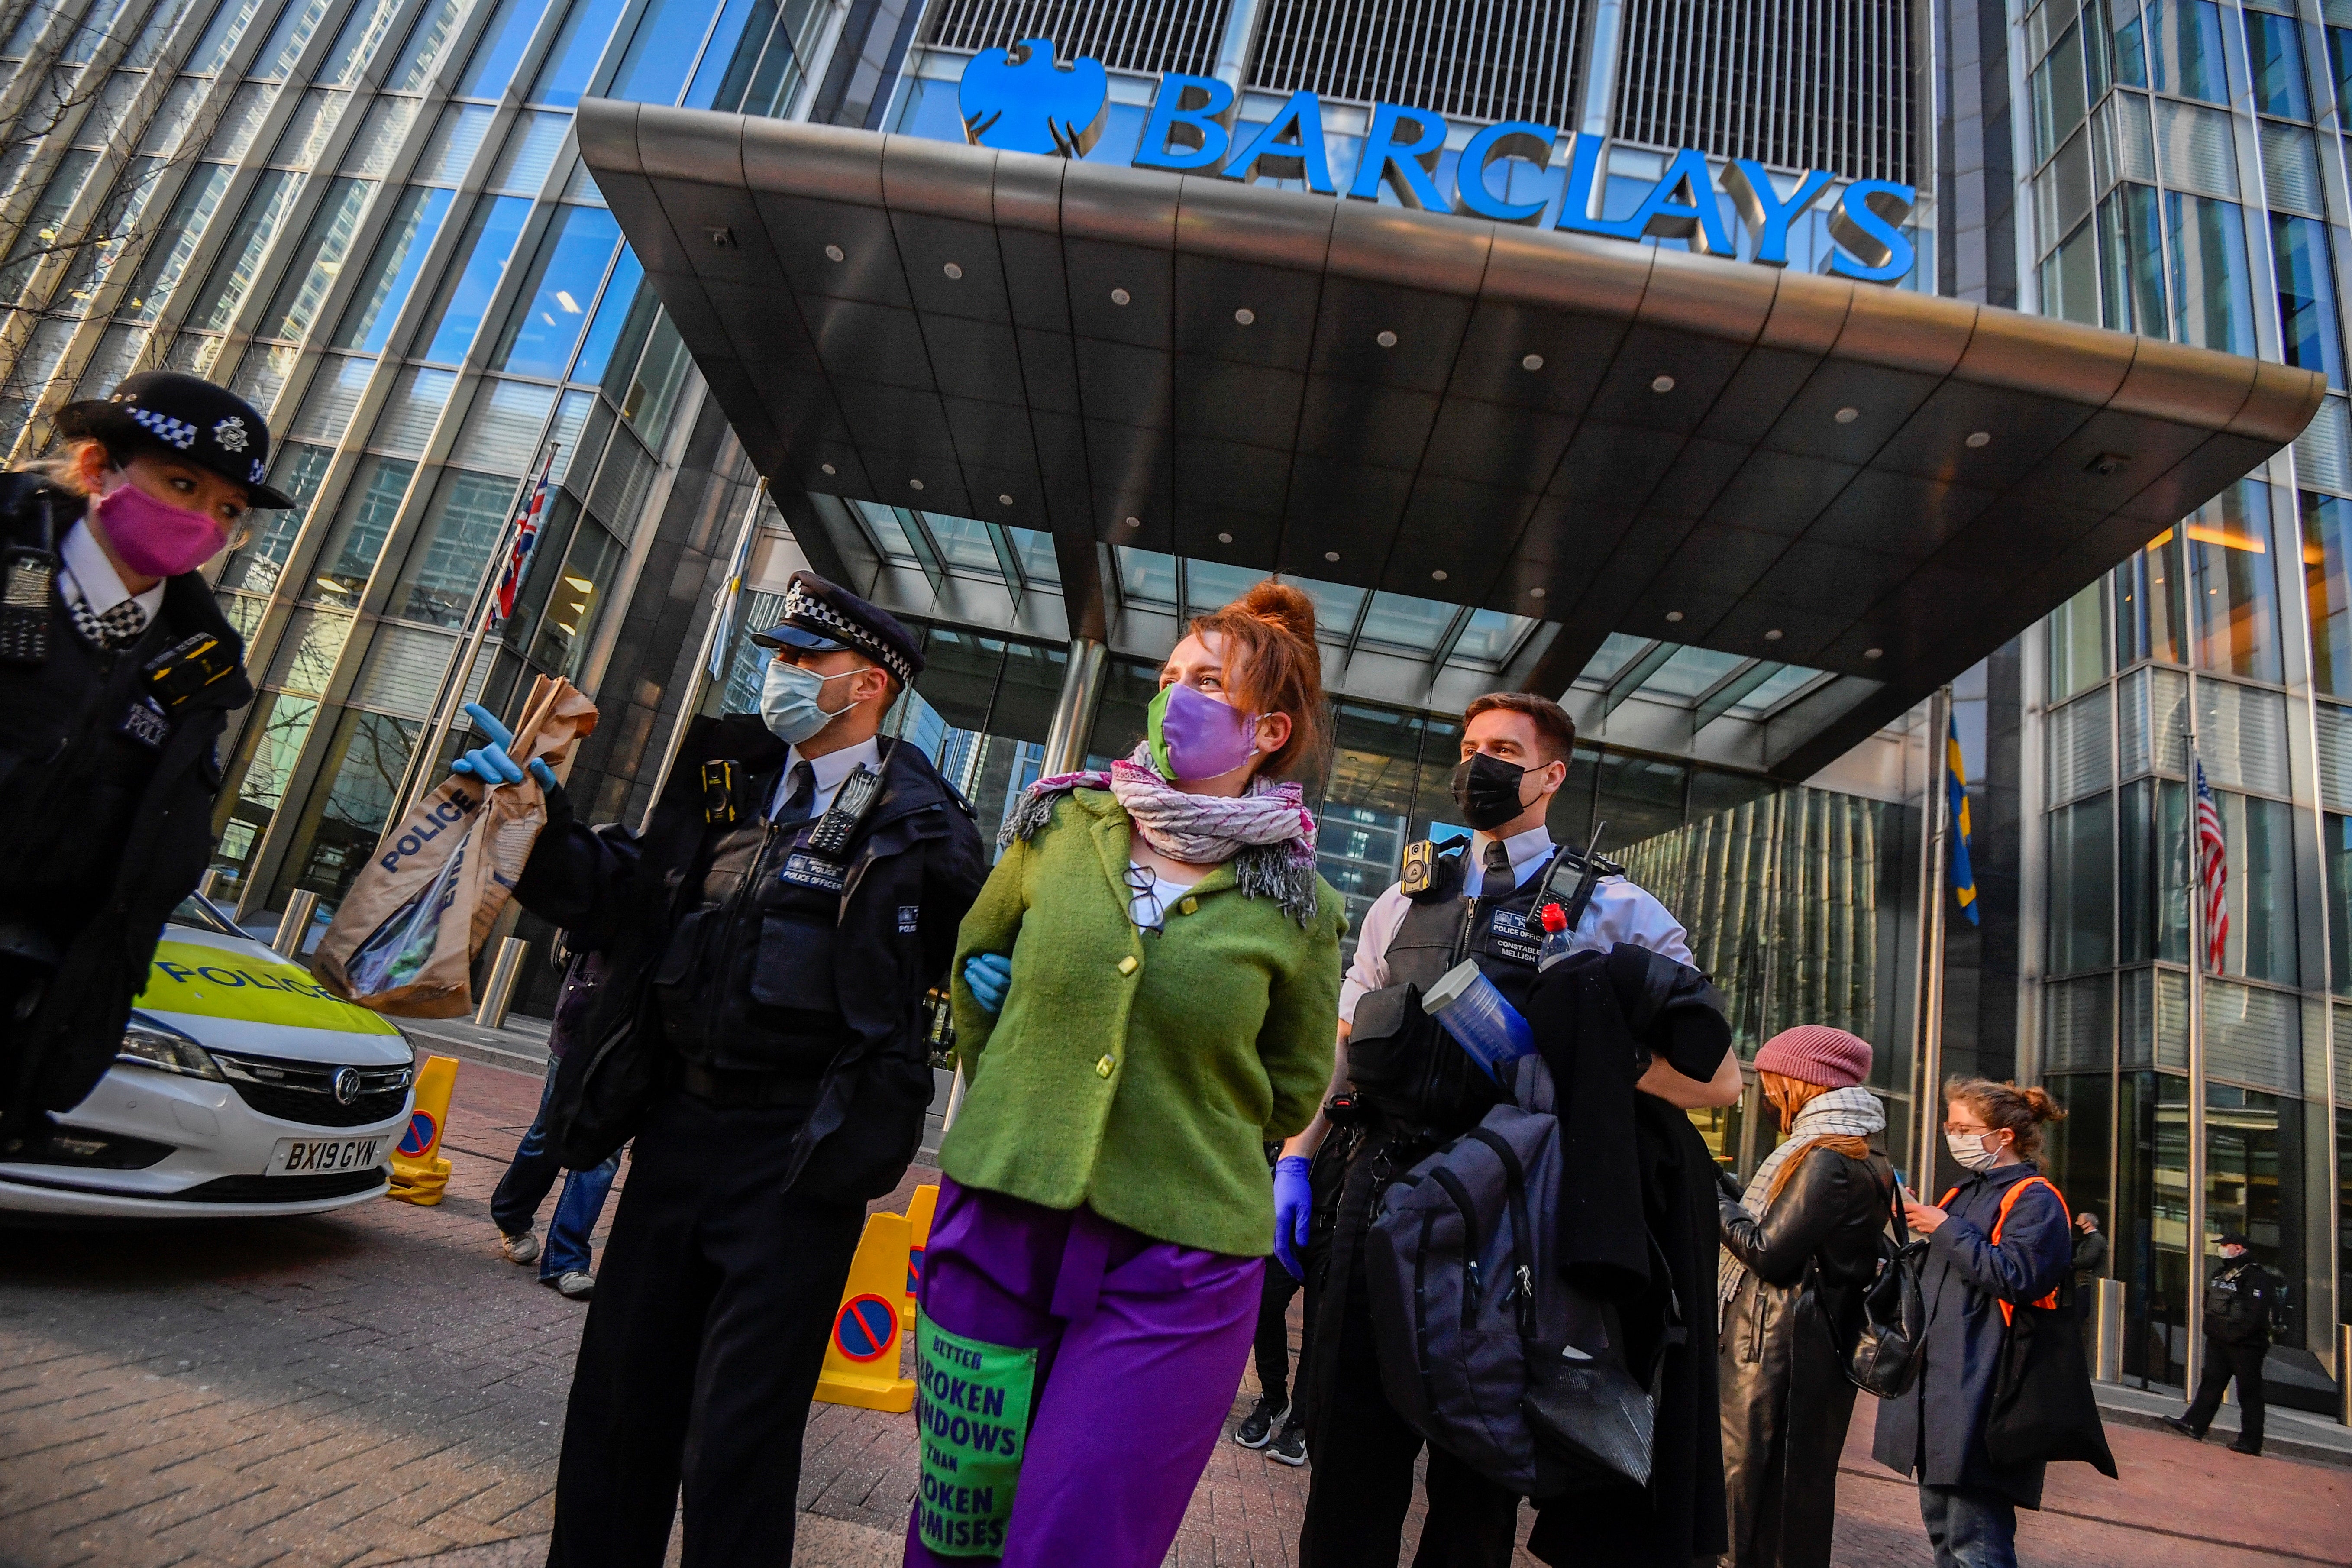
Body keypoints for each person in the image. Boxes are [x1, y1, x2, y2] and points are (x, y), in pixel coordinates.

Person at [475, 571, 985, 1568]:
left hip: (796, 1159)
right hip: (674, 1136)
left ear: (869, 686)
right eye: (778, 657)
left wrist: (985, 981)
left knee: (736, 1440)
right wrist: (539, 824)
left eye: (805, 660)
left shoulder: (926, 825)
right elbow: (628, 898)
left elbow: (974, 958)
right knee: (620, 1411)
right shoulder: (729, 778)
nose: (782, 677)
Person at [906, 581, 1344, 1568]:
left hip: (1180, 1259)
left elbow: (1288, 1088)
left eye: (1206, 685)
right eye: (1169, 677)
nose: (1174, 697)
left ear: (1268, 729)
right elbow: (977, 972)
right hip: (1001, 1219)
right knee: (957, 1530)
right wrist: (1027, 1068)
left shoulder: (1303, 906)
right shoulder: (1059, 826)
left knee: (1077, 1540)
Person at [1290, 690, 1744, 1568]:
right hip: (1380, 1197)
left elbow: (1718, 1077)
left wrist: (1582, 1058)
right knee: (1347, 1463)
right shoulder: (1406, 891)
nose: (1477, 766)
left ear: (1552, 773)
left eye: (1502, 748)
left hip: (1504, 1226)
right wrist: (1298, 1159)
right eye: (1468, 746)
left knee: (1476, 1486)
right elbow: (1343, 1041)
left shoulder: (1613, 907)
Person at [0, 371, 291, 1149]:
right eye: (182, 483)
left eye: (226, 509)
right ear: (98, 469)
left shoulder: (199, 672)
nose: (202, 519)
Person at [1873, 1079, 2073, 1568]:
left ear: (2003, 1136)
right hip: (1941, 1388)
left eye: (1964, 1128)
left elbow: (2017, 1276)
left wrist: (1943, 1227)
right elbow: (1938, 1275)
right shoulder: (1964, 1190)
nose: (1953, 1136)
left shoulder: (2035, 1198)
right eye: (1950, 1126)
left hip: (1982, 1386)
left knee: (1975, 1540)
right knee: (1944, 1530)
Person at [1716, 1025, 1895, 1568]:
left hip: (1775, 1346)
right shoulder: (1867, 1157)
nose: (1768, 1094)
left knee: (1744, 1491)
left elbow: (1769, 1250)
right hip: (1812, 1344)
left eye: (1773, 1081)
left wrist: (1708, 1199)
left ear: (1800, 1082)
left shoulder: (1824, 1157)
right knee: (1792, 1493)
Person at [490, 944, 620, 1300]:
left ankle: (566, 1261)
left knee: (603, 1151)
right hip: (584, 1021)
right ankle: (511, 1213)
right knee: (549, 1134)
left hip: (634, 1038)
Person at [2161, 1229, 2281, 1456]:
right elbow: (2209, 1302)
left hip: (2246, 1345)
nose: (2221, 1248)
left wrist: (2235, 1335)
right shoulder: (2220, 1274)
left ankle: (2251, 1441)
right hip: (2220, 1341)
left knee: (2249, 1392)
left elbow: (2255, 1314)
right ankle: (2194, 1424)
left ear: (2239, 1248)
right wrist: (2213, 1331)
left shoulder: (2256, 1277)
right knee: (2211, 1383)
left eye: (2225, 1245)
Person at [1235, 1144, 1308, 1465]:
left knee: (1324, 1322)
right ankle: (1274, 1397)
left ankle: (1302, 1420)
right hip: (1292, 1203)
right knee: (1264, 1302)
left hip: (1338, 1207)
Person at [2070, 1212, 2107, 1295]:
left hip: (2088, 1284)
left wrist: (2069, 1262)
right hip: (2084, 1283)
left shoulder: (2096, 1240)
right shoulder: (2090, 1239)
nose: (2076, 1224)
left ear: (2089, 1223)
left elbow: (2085, 1261)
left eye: (2079, 1222)